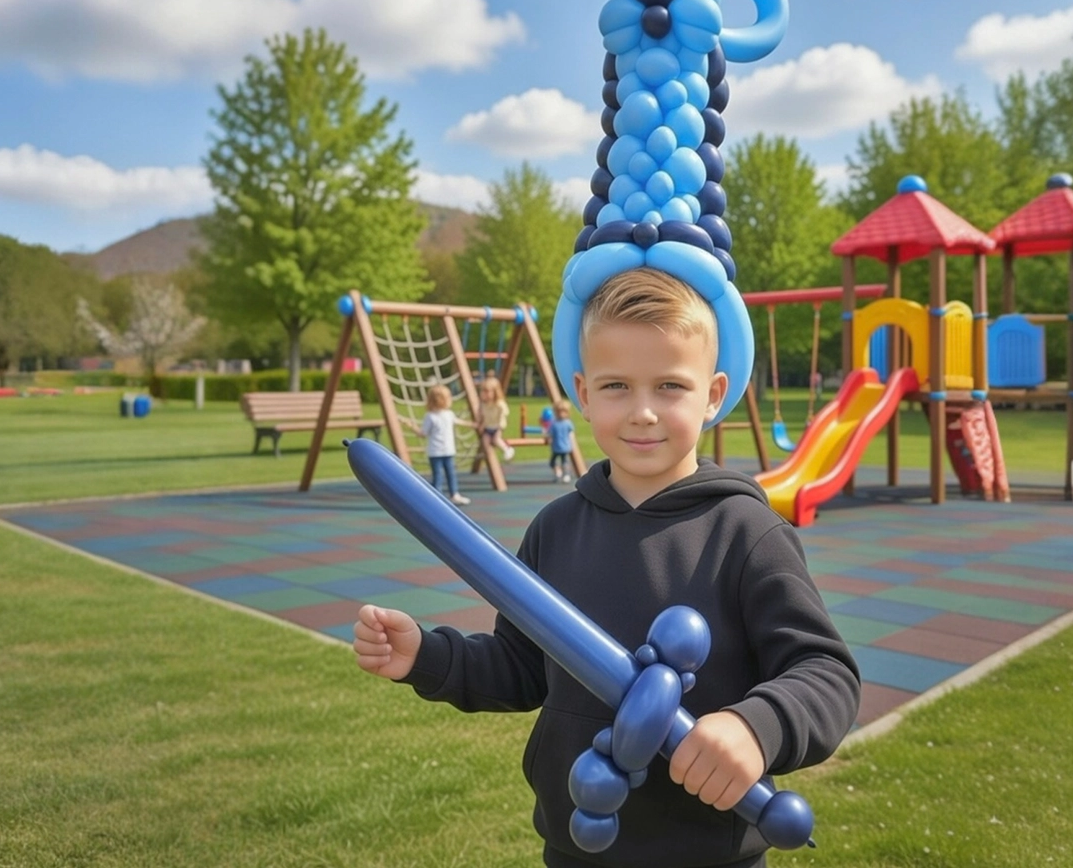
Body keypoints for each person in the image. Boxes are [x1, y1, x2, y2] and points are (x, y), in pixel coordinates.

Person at [353, 268, 860, 868]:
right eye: (617, 386)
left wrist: (758, 726)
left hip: (709, 851)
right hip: (577, 845)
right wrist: (427, 656)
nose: (643, 411)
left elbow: (825, 672)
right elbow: (521, 668)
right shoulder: (556, 529)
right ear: (584, 393)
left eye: (671, 386)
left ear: (714, 394)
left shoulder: (748, 534)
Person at [412, 383, 471, 506]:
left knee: (450, 473)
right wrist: (415, 429)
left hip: (448, 451)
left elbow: (458, 421)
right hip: (436, 452)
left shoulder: (448, 414)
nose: (451, 400)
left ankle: (454, 494)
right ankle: (436, 497)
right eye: (449, 397)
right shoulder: (430, 416)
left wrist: (472, 424)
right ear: (441, 400)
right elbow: (424, 433)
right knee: (438, 475)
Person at [478, 375, 516, 461]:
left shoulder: (499, 404)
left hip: (497, 426)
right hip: (488, 427)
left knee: (496, 439)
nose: (485, 394)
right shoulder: (483, 405)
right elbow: (484, 417)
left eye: (487, 392)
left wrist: (500, 425)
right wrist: (481, 425)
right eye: (483, 392)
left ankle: (507, 449)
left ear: (494, 392)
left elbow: (504, 413)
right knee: (485, 441)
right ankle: (488, 456)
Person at [546, 399, 577, 483]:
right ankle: (558, 473)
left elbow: (571, 434)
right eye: (559, 412)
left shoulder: (567, 423)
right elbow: (550, 434)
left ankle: (566, 474)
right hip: (556, 447)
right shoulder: (554, 423)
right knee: (552, 462)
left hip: (565, 447)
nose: (561, 414)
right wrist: (548, 439)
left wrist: (572, 443)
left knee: (564, 462)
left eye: (564, 412)